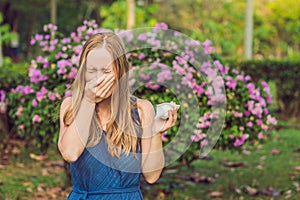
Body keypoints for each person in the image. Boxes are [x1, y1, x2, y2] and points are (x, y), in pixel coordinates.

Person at [58, 32, 179, 199]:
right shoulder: (71, 107)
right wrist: (88, 101)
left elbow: (152, 176)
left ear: (121, 72)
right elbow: (70, 153)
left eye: (106, 71)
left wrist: (155, 132)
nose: (99, 79)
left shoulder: (142, 109)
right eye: (91, 70)